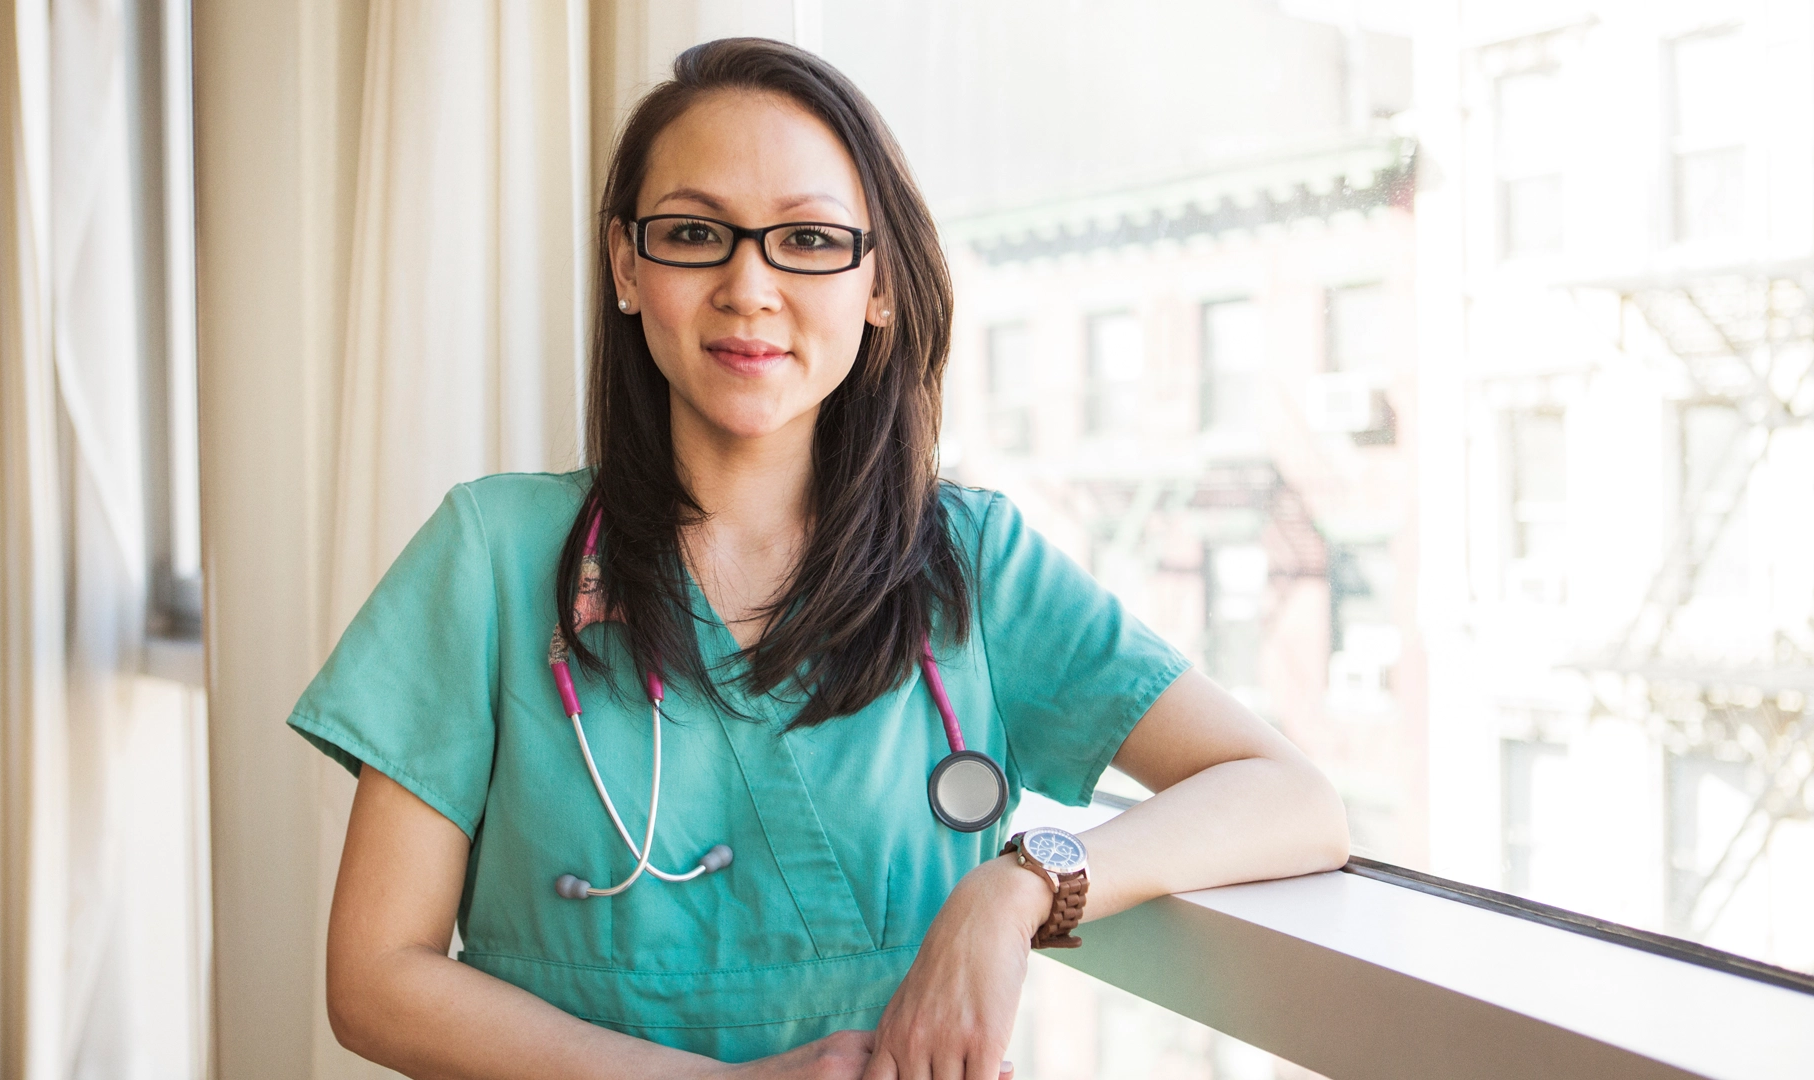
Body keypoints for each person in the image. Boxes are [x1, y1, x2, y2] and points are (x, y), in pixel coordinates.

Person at [293, 37, 1349, 1080]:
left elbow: (1291, 798)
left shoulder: (973, 565)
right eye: (694, 233)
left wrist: (1018, 887)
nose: (749, 286)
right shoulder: (491, 554)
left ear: (878, 283)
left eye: (807, 239)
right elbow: (375, 979)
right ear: (626, 266)